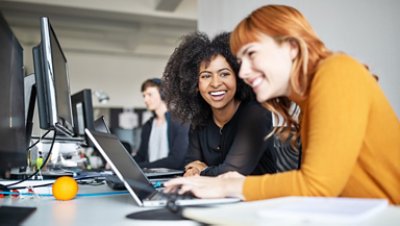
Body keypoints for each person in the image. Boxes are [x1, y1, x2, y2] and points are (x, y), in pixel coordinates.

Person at [164, 5, 400, 204]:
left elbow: (316, 186)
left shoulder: (337, 71)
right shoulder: (310, 102)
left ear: (292, 47)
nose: (243, 72)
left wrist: (230, 186)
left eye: (252, 53)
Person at [163, 32, 299, 177]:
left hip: (256, 198)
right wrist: (195, 170)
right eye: (206, 76)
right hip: (213, 197)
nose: (215, 83)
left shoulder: (256, 114)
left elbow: (233, 172)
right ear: (195, 84)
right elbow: (190, 166)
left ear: (238, 78)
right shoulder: (199, 121)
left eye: (224, 74)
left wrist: (202, 171)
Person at [134, 78, 189, 170]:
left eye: (149, 95)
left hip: (171, 179)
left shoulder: (180, 122)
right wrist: (121, 164)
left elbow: (176, 161)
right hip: (149, 177)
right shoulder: (148, 125)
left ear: (162, 94)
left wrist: (141, 167)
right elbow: (141, 156)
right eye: (144, 96)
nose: (146, 100)